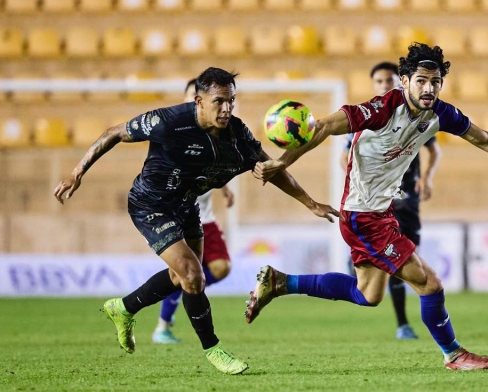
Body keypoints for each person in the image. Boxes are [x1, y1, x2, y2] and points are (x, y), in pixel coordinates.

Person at [246, 43, 488, 370]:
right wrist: (281, 162)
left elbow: (487, 140)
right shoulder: (382, 108)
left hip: (380, 212)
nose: (429, 88)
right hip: (363, 216)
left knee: (367, 295)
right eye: (421, 80)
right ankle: (453, 353)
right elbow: (325, 126)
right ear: (404, 81)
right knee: (429, 283)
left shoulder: (440, 114)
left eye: (435, 82)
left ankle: (280, 282)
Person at [53, 67, 339, 375]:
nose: (227, 108)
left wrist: (311, 204)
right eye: (219, 101)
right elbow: (113, 132)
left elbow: (274, 170)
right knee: (193, 275)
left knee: (182, 278)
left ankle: (123, 308)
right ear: (198, 100)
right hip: (151, 204)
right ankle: (214, 349)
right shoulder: (169, 122)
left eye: (231, 101)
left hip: (187, 206)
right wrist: (76, 173)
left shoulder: (238, 135)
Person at [340, 62, 442, 340]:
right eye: (379, 81)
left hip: (407, 197)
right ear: (373, 85)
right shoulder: (369, 116)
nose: (385, 85)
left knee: (400, 266)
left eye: (389, 80)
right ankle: (405, 325)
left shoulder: (418, 114)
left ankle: (406, 324)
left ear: (401, 81)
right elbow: (344, 157)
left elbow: (433, 149)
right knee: (405, 266)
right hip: (376, 203)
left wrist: (427, 177)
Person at [152, 79, 236, 345]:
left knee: (221, 268)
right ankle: (163, 326)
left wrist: (224, 188)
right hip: (180, 218)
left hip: (206, 218)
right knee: (184, 274)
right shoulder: (177, 130)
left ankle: (187, 289)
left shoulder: (217, 130)